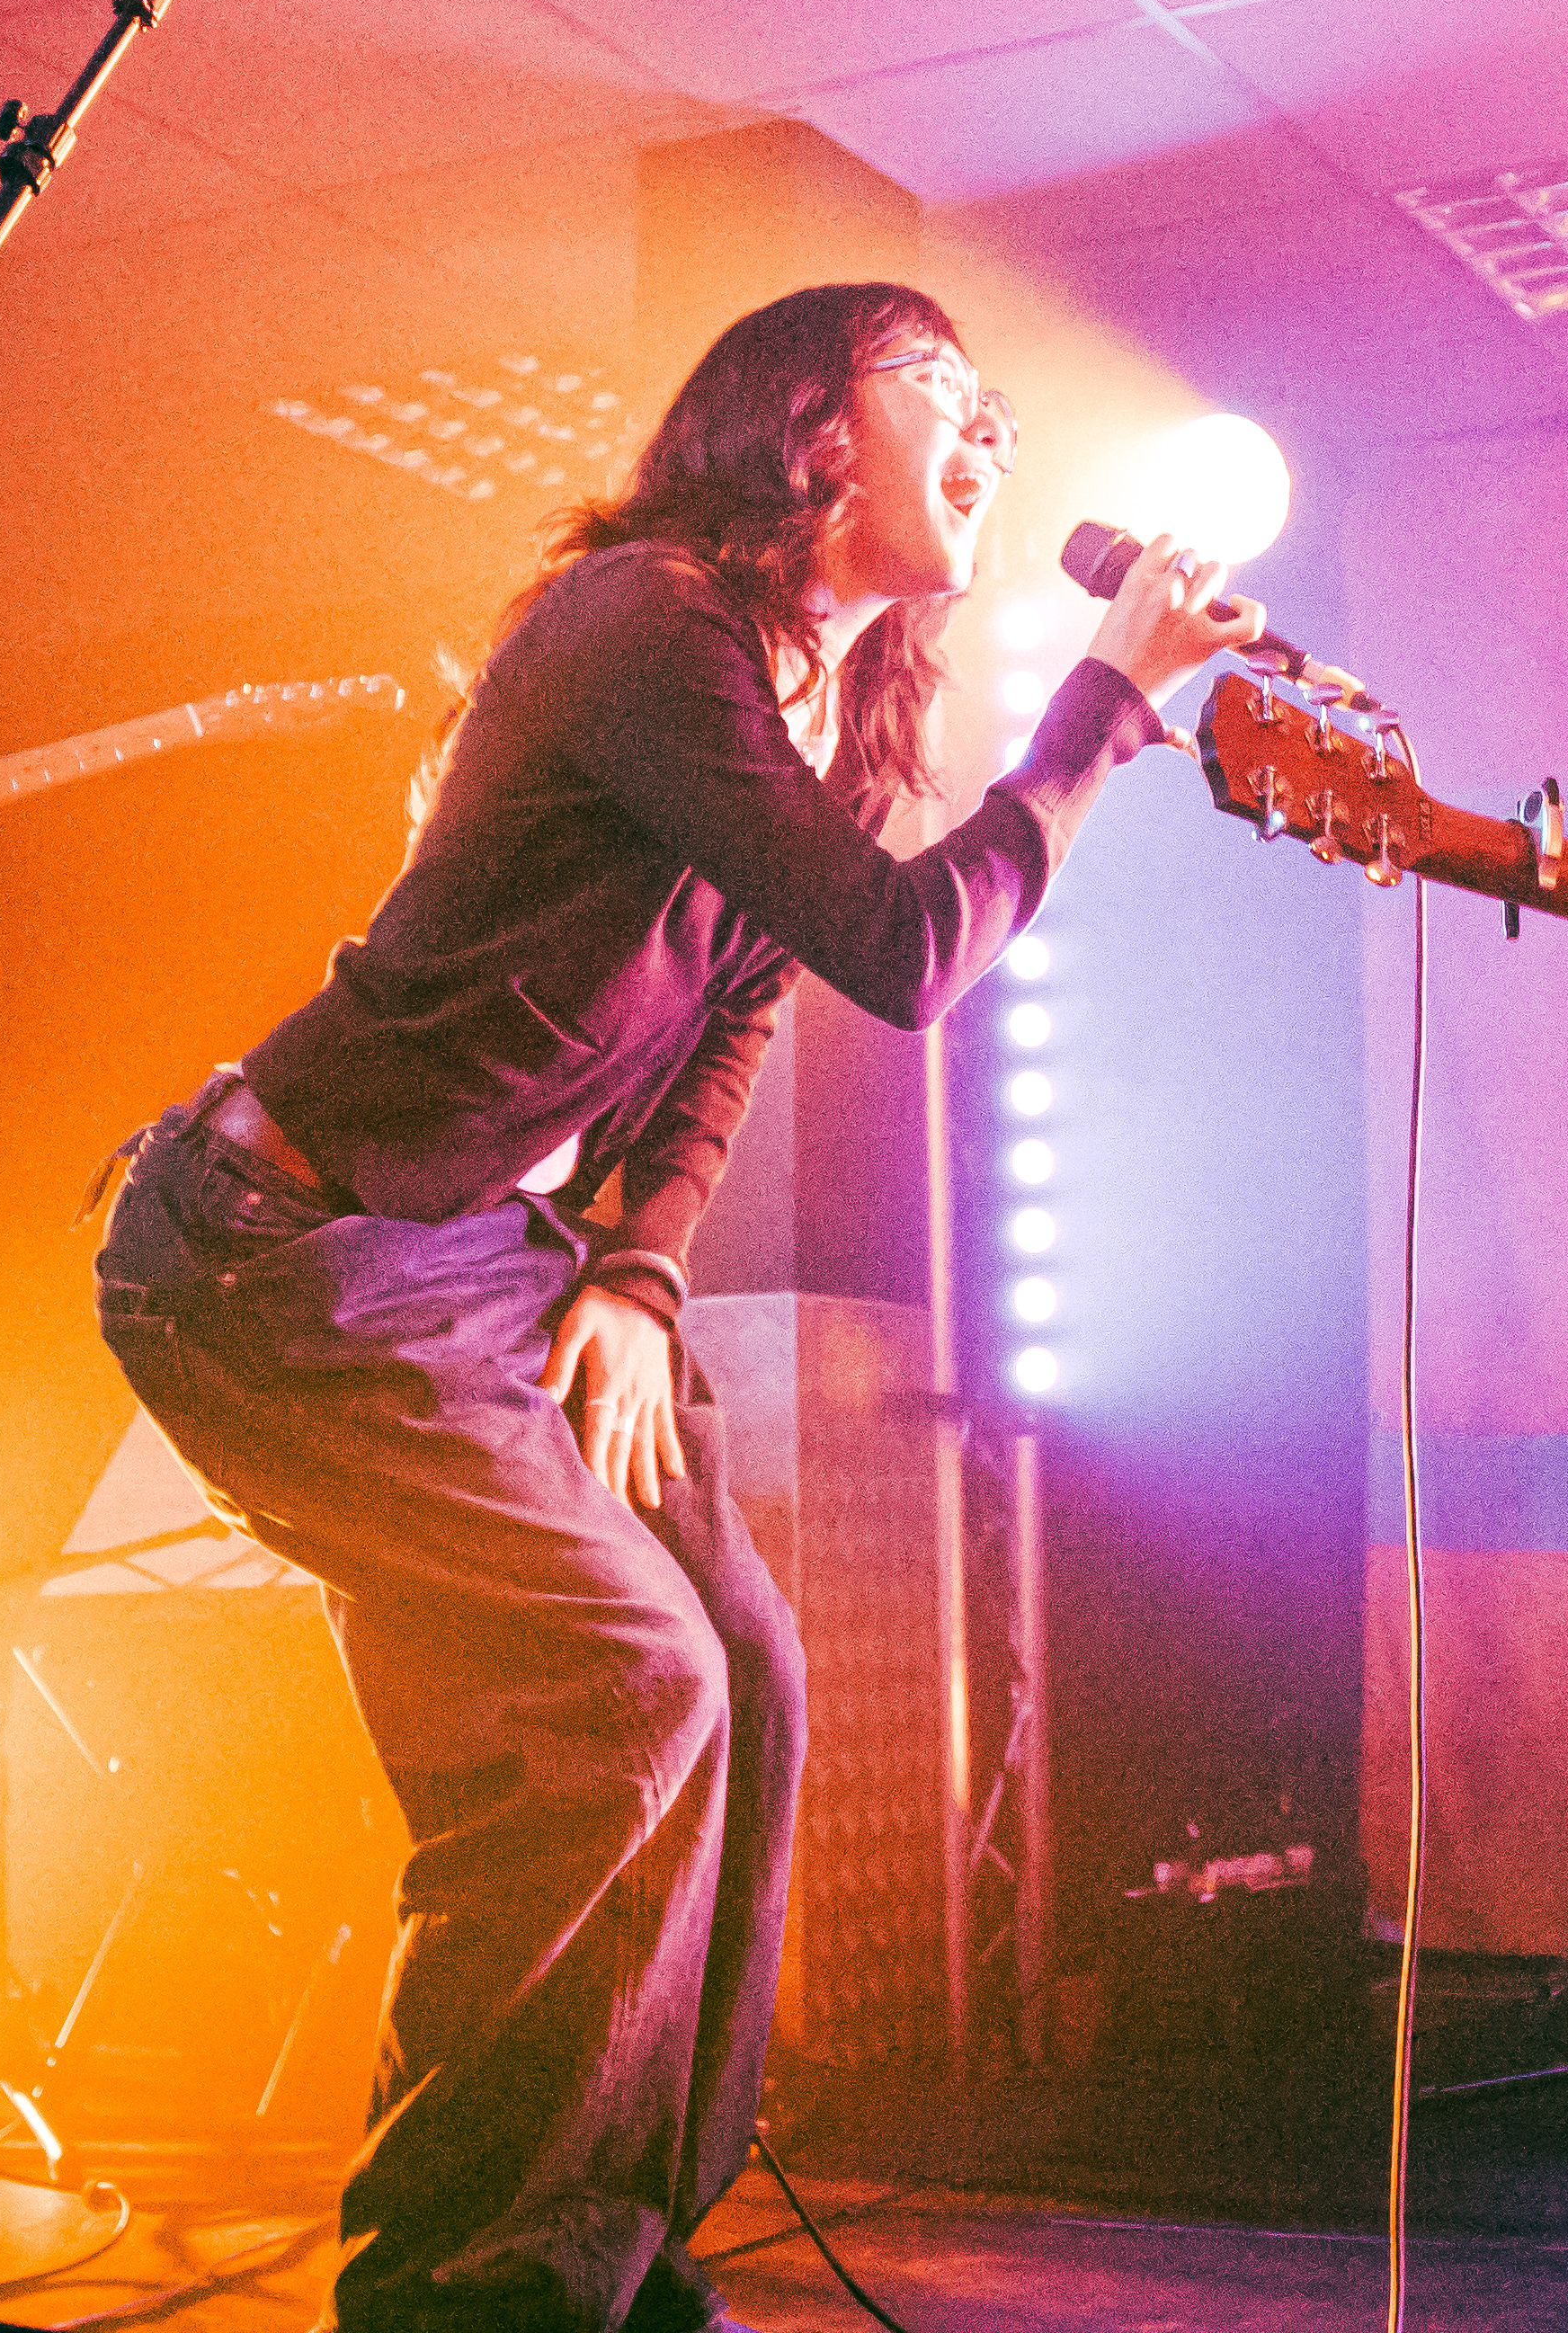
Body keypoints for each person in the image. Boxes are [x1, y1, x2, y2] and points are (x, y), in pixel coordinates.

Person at [89, 282, 1253, 2333]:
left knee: (748, 1677)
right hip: (280, 1255)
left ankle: (609, 2253)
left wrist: (638, 1266)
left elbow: (740, 1021)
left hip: (474, 1264)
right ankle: (470, 2290)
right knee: (629, 1693)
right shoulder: (648, 628)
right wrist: (1099, 717)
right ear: (812, 427)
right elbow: (906, 951)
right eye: (944, 394)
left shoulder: (829, 703)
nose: (991, 436)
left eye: (999, 410)